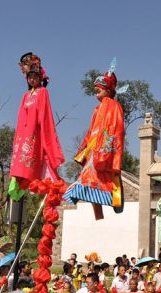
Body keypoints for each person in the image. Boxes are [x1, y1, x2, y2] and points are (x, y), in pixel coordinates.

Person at [62, 59, 125, 220]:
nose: (96, 91)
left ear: (109, 90)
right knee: (88, 177)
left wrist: (108, 151)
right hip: (93, 149)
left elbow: (115, 130)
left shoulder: (114, 106)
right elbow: (91, 132)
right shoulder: (97, 109)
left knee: (95, 178)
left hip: (104, 149)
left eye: (100, 88)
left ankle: (104, 205)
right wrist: (83, 149)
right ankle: (97, 212)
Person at [8, 52, 64, 200]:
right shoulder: (26, 95)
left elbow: (45, 115)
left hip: (35, 133)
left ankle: (31, 181)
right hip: (23, 134)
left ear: (40, 78)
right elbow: (21, 118)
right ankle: (19, 182)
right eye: (29, 77)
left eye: (35, 77)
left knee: (32, 159)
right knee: (20, 159)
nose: (32, 79)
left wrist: (41, 134)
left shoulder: (42, 92)